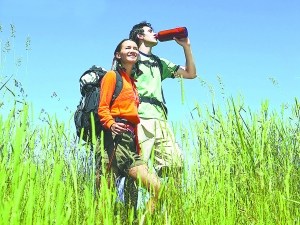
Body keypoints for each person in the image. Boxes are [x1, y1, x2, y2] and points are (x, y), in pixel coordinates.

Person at [96, 38, 161, 214]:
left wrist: (136, 143)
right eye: (128, 48)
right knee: (105, 197)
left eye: (134, 48)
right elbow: (102, 107)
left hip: (131, 143)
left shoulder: (133, 84)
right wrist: (110, 124)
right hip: (114, 140)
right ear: (118, 55)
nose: (133, 50)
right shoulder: (112, 76)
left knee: (157, 187)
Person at [128, 21, 197, 179]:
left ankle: (170, 203)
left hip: (161, 120)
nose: (154, 33)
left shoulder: (159, 62)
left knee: (174, 165)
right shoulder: (131, 58)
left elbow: (191, 74)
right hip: (139, 118)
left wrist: (186, 46)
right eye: (149, 30)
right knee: (137, 168)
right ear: (140, 35)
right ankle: (128, 204)